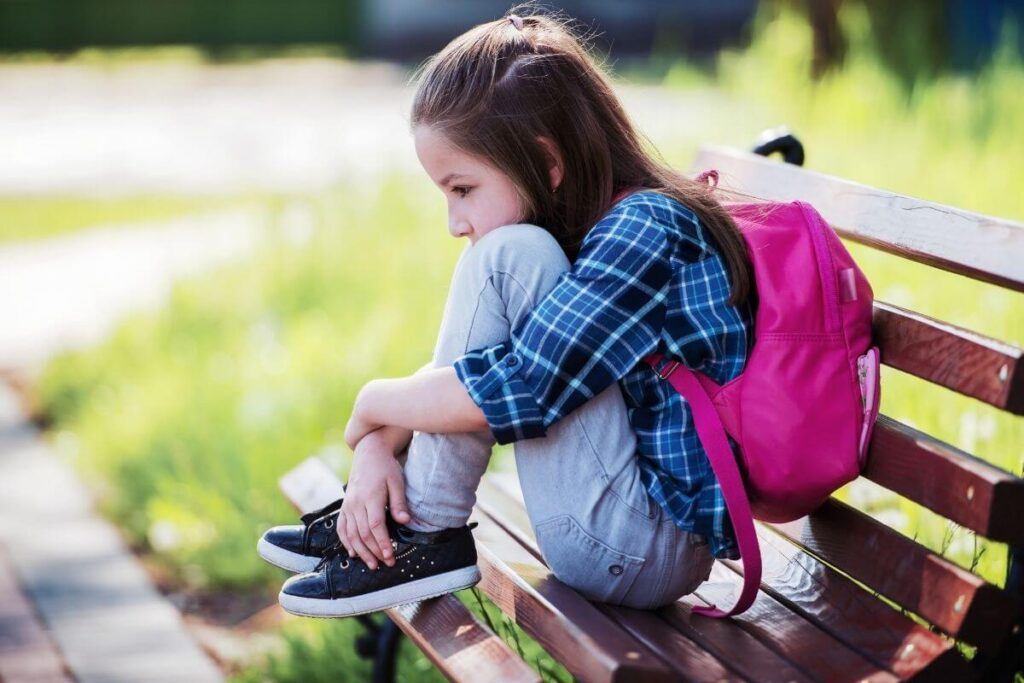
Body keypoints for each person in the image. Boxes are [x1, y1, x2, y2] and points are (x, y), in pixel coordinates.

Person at [260, 8, 755, 619]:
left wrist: (372, 404)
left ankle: (427, 533)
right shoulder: (603, 222)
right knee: (513, 258)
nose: (454, 222)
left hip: (644, 545)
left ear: (548, 165)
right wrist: (377, 445)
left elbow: (521, 387)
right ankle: (414, 525)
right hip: (629, 528)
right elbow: (490, 370)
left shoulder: (643, 230)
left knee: (505, 256)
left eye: (462, 189)